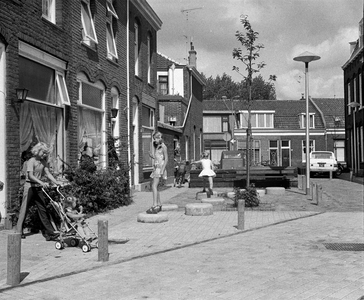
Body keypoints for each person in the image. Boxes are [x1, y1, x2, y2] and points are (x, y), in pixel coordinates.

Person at [16, 142, 61, 240]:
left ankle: (50, 233)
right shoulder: (31, 161)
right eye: (43, 153)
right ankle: (18, 231)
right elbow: (31, 176)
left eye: (46, 153)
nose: (44, 155)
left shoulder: (43, 162)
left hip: (38, 188)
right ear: (37, 151)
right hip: (30, 187)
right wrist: (41, 182)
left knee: (43, 209)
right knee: (24, 209)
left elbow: (48, 174)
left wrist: (56, 182)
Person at [147, 131, 168, 214]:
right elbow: (158, 157)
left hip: (159, 168)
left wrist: (163, 169)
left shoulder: (163, 146)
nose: (154, 140)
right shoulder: (158, 147)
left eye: (155, 138)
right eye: (154, 139)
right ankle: (159, 204)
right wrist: (152, 157)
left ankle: (155, 205)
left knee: (154, 185)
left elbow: (166, 159)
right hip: (156, 167)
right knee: (156, 186)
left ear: (159, 138)